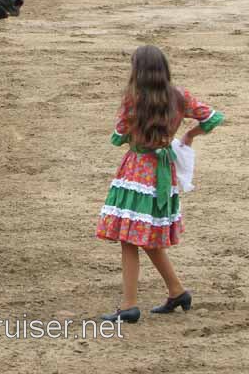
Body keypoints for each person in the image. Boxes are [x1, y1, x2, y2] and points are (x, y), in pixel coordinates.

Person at [96, 45, 224, 323]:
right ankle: (177, 291)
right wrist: (189, 135)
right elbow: (213, 118)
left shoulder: (133, 100)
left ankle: (129, 305)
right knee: (146, 236)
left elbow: (117, 138)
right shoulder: (179, 97)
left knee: (130, 238)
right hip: (163, 174)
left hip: (136, 173)